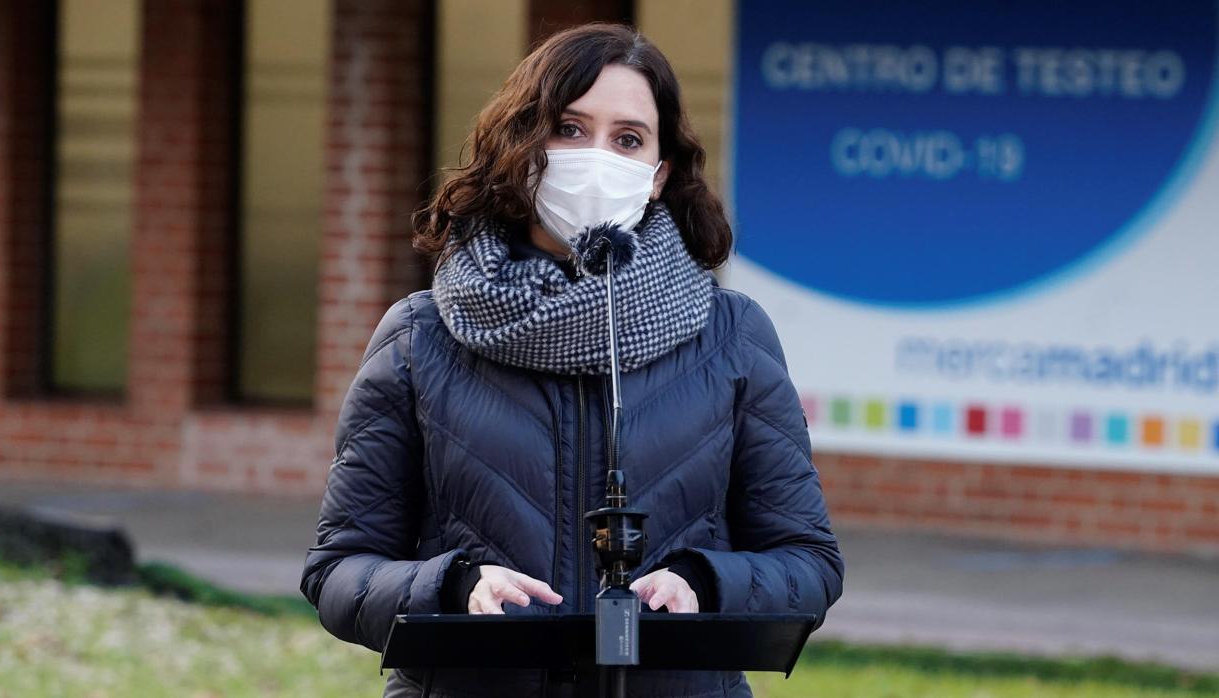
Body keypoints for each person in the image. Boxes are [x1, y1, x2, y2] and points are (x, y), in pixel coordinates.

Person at [300, 22, 843, 698]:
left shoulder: (731, 336)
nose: (596, 158)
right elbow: (339, 571)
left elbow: (809, 563)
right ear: (521, 148)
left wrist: (705, 583)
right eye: (570, 128)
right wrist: (454, 585)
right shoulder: (420, 337)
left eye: (627, 139)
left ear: (658, 173)